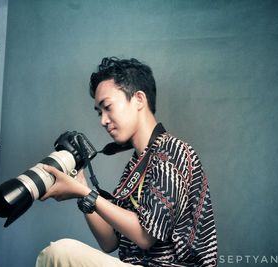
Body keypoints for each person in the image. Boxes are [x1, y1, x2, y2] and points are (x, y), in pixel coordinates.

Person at [35, 57, 218, 266]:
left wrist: (85, 194)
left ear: (139, 99)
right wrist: (81, 187)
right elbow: (110, 241)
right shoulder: (136, 165)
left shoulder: (171, 150)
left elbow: (144, 236)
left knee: (59, 252)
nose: (103, 120)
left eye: (108, 107)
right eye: (99, 112)